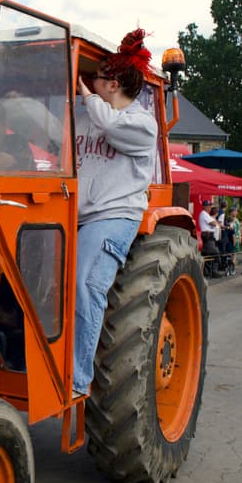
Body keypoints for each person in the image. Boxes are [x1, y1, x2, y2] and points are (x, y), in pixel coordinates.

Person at [73, 28, 158, 397]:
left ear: (114, 84)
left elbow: (110, 125)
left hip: (113, 214)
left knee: (85, 282)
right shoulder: (86, 113)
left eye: (98, 76)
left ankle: (76, 379)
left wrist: (87, 96)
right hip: (76, 213)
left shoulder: (141, 124)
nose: (92, 81)